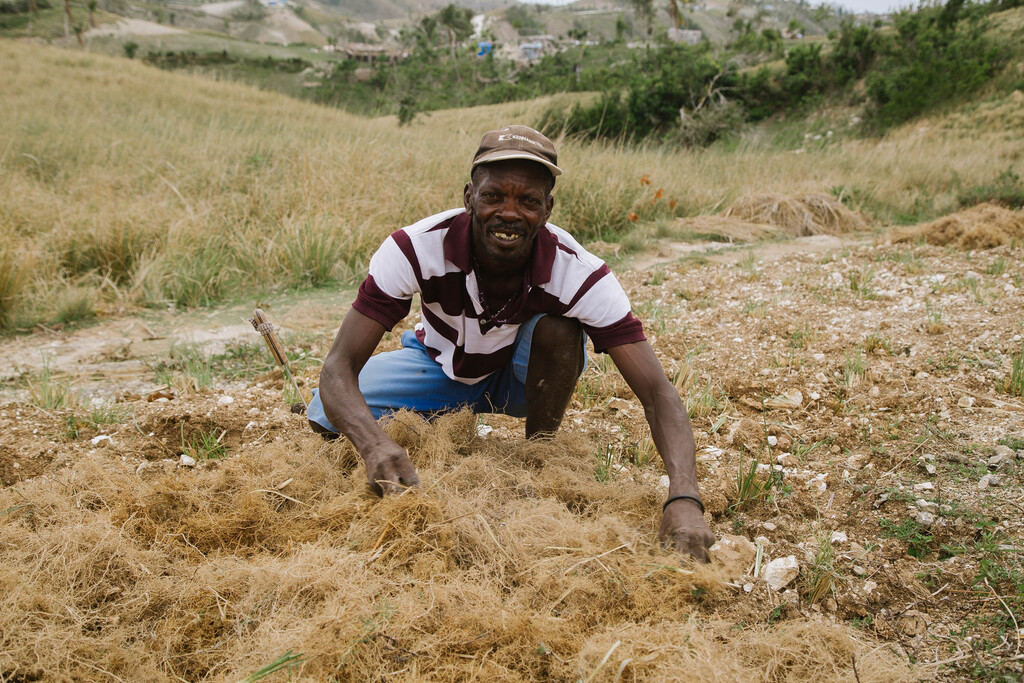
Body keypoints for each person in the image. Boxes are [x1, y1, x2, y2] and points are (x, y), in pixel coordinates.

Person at [307, 125, 715, 562]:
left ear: (548, 209)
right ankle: (437, 415)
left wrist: (684, 498)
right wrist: (374, 445)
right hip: (439, 366)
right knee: (323, 414)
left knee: (560, 330)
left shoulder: (580, 274)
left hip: (520, 382)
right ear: (469, 197)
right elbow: (337, 368)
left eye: (528, 201)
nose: (509, 213)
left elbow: (656, 392)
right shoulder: (414, 248)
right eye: (493, 196)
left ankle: (539, 452)